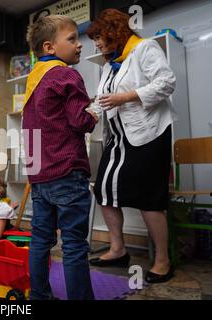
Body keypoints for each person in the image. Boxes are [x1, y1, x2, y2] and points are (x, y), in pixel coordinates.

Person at [86, 9, 177, 284]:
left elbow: (167, 82)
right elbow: (103, 100)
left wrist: (126, 97)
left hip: (149, 134)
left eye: (99, 37)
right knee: (103, 189)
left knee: (149, 198)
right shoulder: (107, 65)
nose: (97, 44)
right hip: (119, 138)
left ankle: (163, 260)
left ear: (115, 31)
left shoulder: (144, 48)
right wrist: (86, 115)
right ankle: (118, 249)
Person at [23, 15, 98, 300]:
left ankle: (39, 296)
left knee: (40, 239)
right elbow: (79, 121)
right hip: (67, 170)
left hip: (39, 174)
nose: (80, 45)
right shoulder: (67, 74)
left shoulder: (34, 78)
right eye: (73, 39)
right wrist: (93, 115)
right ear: (49, 46)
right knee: (75, 244)